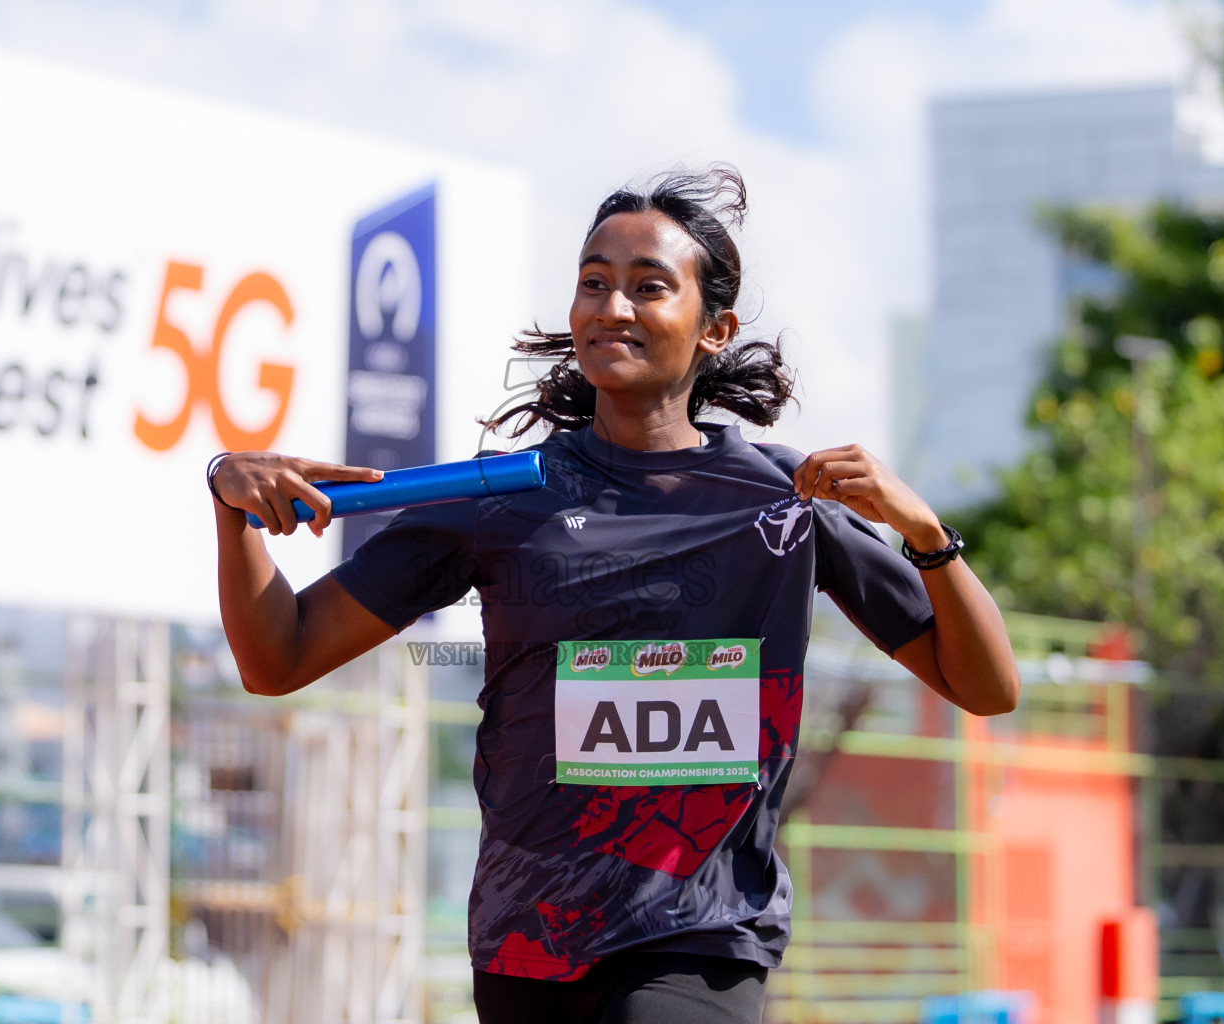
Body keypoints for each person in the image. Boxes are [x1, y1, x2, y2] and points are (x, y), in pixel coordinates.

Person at [208, 166, 1020, 1024]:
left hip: (701, 937)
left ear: (715, 330)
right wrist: (230, 502)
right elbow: (278, 657)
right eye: (593, 283)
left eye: (648, 287)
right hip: (530, 942)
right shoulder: (502, 497)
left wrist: (930, 539)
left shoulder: (785, 504)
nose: (613, 307)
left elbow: (986, 686)